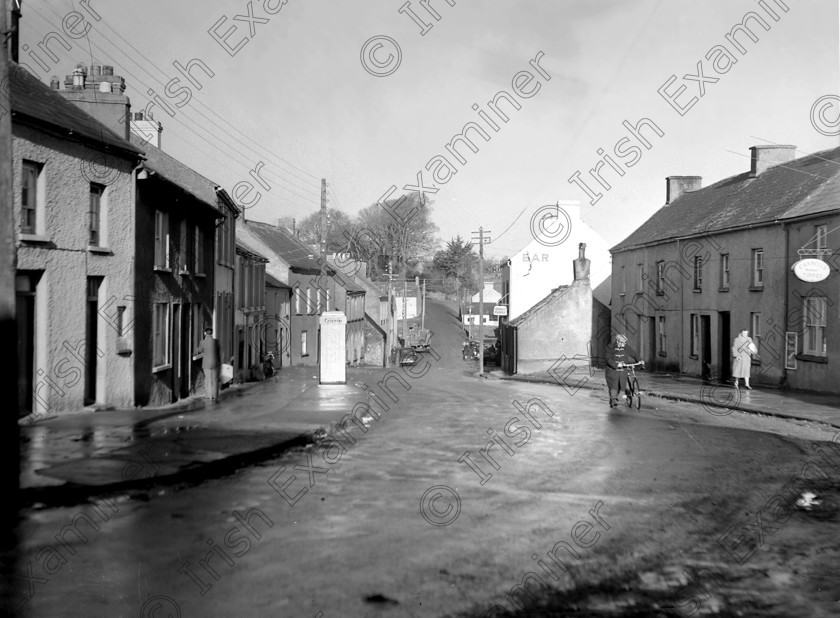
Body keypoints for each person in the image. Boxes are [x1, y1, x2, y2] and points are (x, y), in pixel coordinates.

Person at [605, 333, 640, 408]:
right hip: (612, 369)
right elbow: (608, 358)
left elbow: (633, 354)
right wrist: (616, 365)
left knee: (622, 383)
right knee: (614, 385)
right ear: (617, 342)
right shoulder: (610, 347)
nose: (624, 344)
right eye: (623, 342)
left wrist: (640, 360)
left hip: (623, 369)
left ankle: (626, 393)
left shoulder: (626, 347)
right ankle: (614, 400)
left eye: (625, 342)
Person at [201, 327, 221, 402]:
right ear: (212, 333)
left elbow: (199, 350)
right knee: (215, 379)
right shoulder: (216, 342)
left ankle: (209, 396)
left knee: (208, 379)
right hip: (216, 363)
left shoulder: (202, 342)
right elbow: (218, 353)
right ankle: (215, 395)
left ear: (205, 333)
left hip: (206, 364)